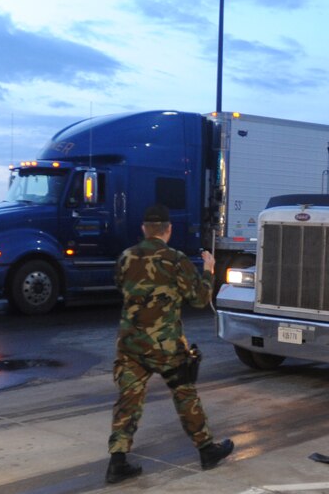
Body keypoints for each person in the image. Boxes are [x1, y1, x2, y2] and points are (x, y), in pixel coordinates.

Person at [105, 204, 234, 484]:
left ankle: (117, 461)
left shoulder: (126, 257)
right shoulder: (176, 260)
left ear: (143, 229)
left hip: (130, 344)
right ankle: (206, 450)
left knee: (128, 400)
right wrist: (209, 270)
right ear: (168, 230)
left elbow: (121, 287)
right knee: (184, 394)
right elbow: (200, 300)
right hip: (165, 345)